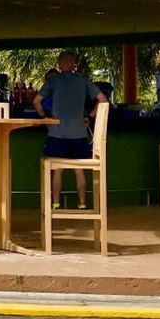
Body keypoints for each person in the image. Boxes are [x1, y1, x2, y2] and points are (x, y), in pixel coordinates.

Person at [33, 51, 108, 209]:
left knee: (57, 169)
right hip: (78, 133)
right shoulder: (83, 81)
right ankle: (82, 204)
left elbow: (36, 101)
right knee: (79, 169)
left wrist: (44, 118)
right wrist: (90, 116)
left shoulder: (53, 81)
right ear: (73, 64)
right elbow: (102, 100)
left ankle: (55, 203)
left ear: (60, 64)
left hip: (57, 133)